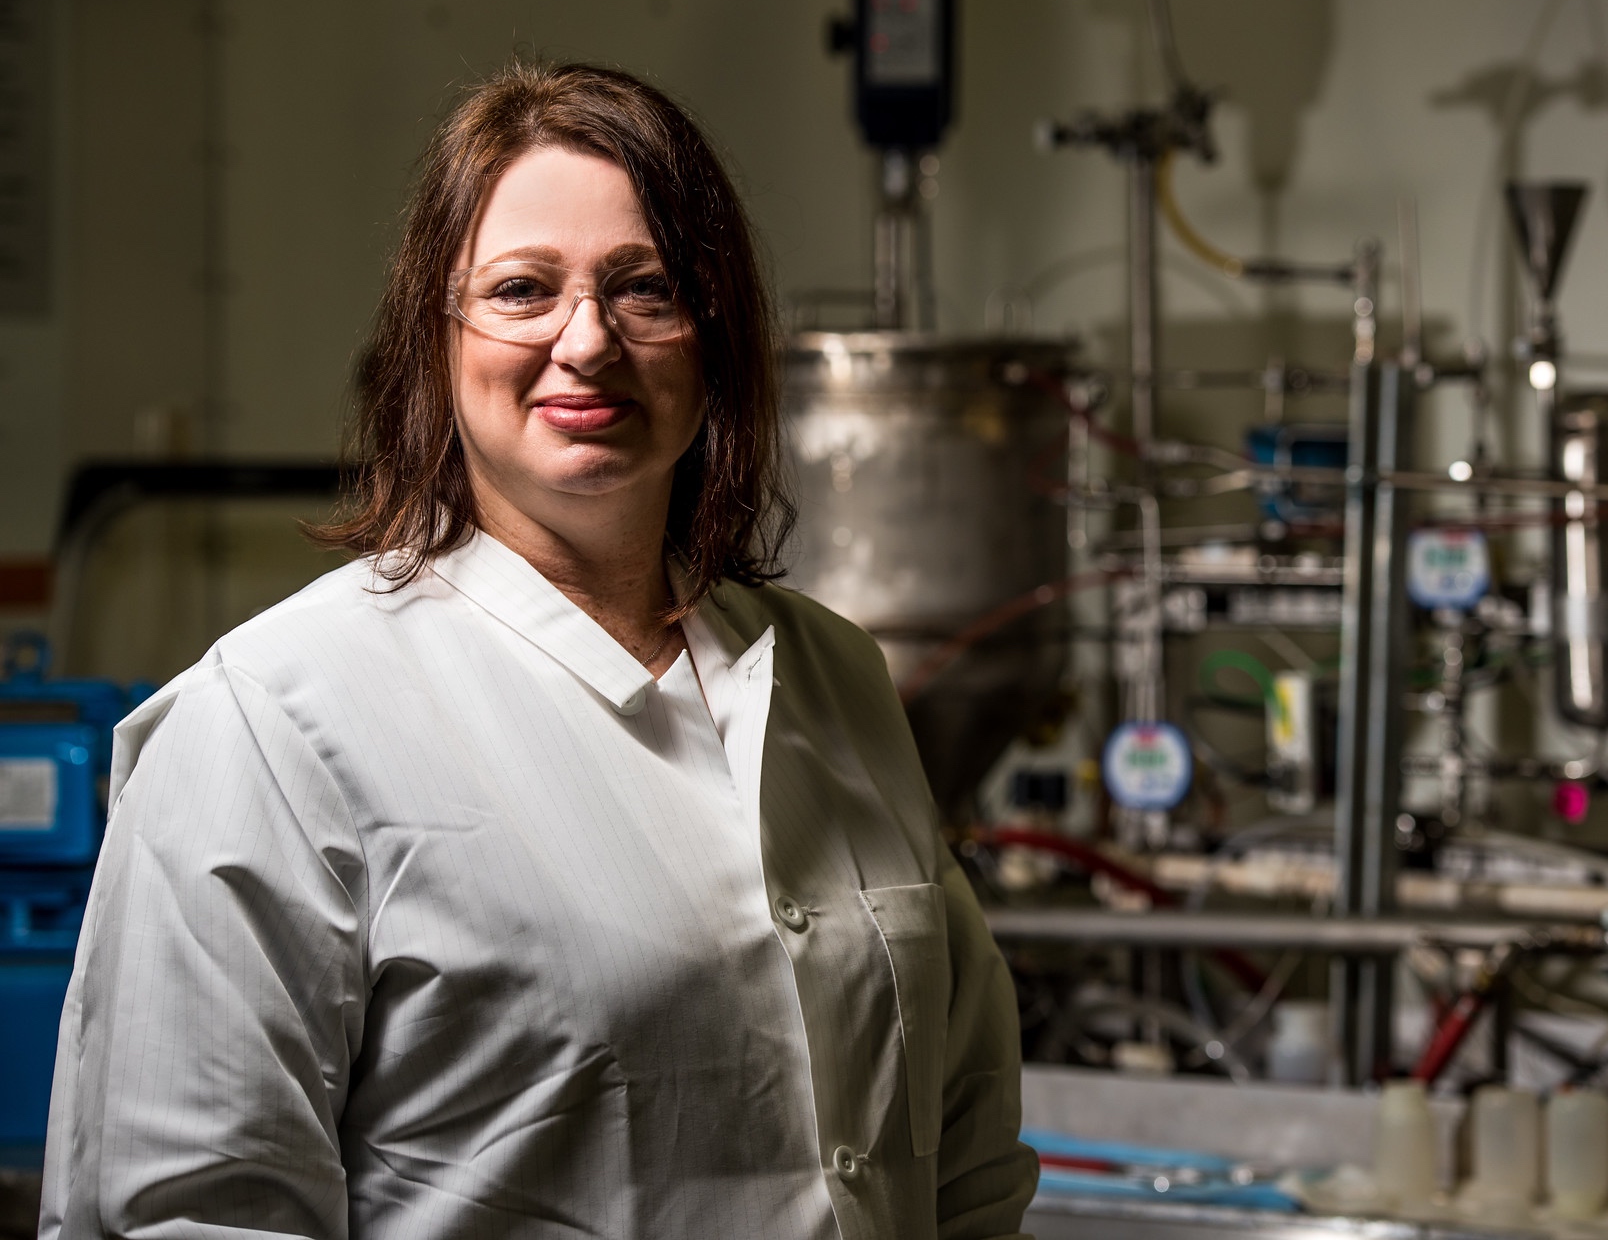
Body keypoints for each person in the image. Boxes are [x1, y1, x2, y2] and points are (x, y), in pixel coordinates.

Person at [41, 60, 1038, 1240]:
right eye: (521, 289)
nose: (587, 340)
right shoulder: (269, 721)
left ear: (713, 337)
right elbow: (192, 1213)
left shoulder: (831, 676)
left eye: (646, 287)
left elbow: (966, 1150)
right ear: (436, 338)